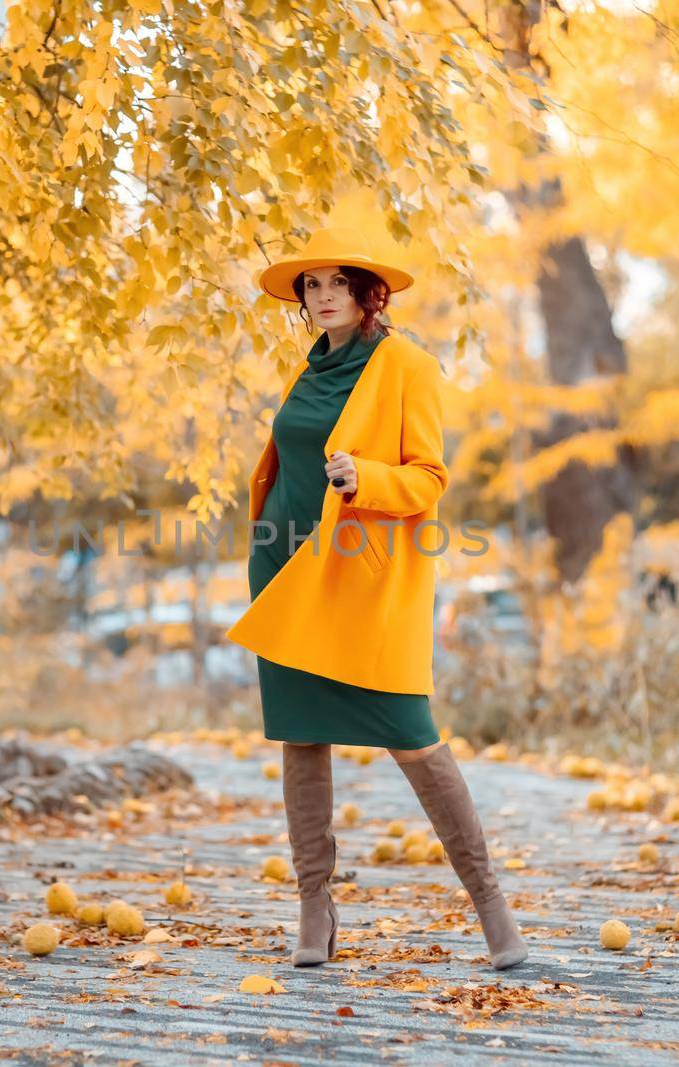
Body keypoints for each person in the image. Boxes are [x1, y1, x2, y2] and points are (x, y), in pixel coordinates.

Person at [224, 224, 528, 971]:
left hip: (361, 574)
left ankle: (492, 908)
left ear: (369, 295)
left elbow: (428, 475)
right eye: (311, 286)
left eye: (337, 283)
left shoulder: (407, 366)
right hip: (286, 565)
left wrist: (368, 478)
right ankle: (314, 909)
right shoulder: (305, 372)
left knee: (411, 732)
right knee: (302, 736)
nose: (322, 296)